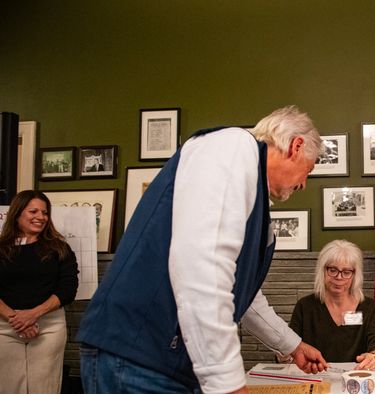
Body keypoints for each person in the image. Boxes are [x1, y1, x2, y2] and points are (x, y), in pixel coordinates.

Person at [78, 106, 328, 394]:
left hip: (168, 364)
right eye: (308, 171)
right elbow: (204, 270)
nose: (303, 183)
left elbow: (243, 297)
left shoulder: (255, 197)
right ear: (296, 147)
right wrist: (228, 383)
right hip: (136, 358)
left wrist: (292, 345)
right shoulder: (233, 147)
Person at [0, 190, 79, 394]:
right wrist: (16, 319)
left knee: (44, 387)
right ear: (17, 214)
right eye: (33, 211)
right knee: (8, 386)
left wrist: (33, 314)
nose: (41, 217)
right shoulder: (1, 248)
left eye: (45, 212)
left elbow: (68, 289)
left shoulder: (60, 249)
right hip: (4, 325)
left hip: (49, 325)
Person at [289, 240, 375, 370]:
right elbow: (289, 347)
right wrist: (285, 355)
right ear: (323, 270)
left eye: (346, 272)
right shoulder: (305, 306)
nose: (339, 277)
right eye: (332, 270)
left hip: (356, 377)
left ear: (355, 275)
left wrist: (374, 357)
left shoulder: (370, 307)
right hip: (315, 377)